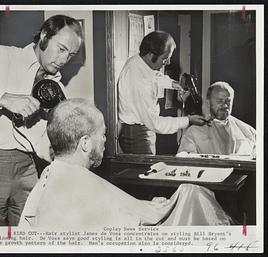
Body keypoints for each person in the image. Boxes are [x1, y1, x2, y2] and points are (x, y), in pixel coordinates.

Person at [19, 98, 233, 229]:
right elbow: (143, 217)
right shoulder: (82, 184)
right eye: (102, 134)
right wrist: (175, 199)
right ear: (85, 143)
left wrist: (150, 205)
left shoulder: (51, 175)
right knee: (196, 197)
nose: (105, 140)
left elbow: (127, 209)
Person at [0, 15, 83, 226]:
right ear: (45, 36)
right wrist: (2, 98)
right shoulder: (0, 55)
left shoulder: (56, 88)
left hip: (29, 167)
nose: (64, 60)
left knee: (31, 236)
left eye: (71, 55)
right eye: (61, 49)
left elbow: (41, 137)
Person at [118, 31, 208, 155]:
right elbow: (155, 123)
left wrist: (173, 84)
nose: (168, 63)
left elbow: (154, 76)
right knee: (145, 172)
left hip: (144, 129)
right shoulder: (138, 81)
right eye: (165, 59)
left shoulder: (139, 62)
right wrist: (188, 120)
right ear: (151, 55)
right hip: (138, 134)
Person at [178, 81, 256, 156]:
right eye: (220, 101)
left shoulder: (248, 132)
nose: (225, 105)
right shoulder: (193, 133)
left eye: (228, 101)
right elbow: (186, 163)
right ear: (208, 103)